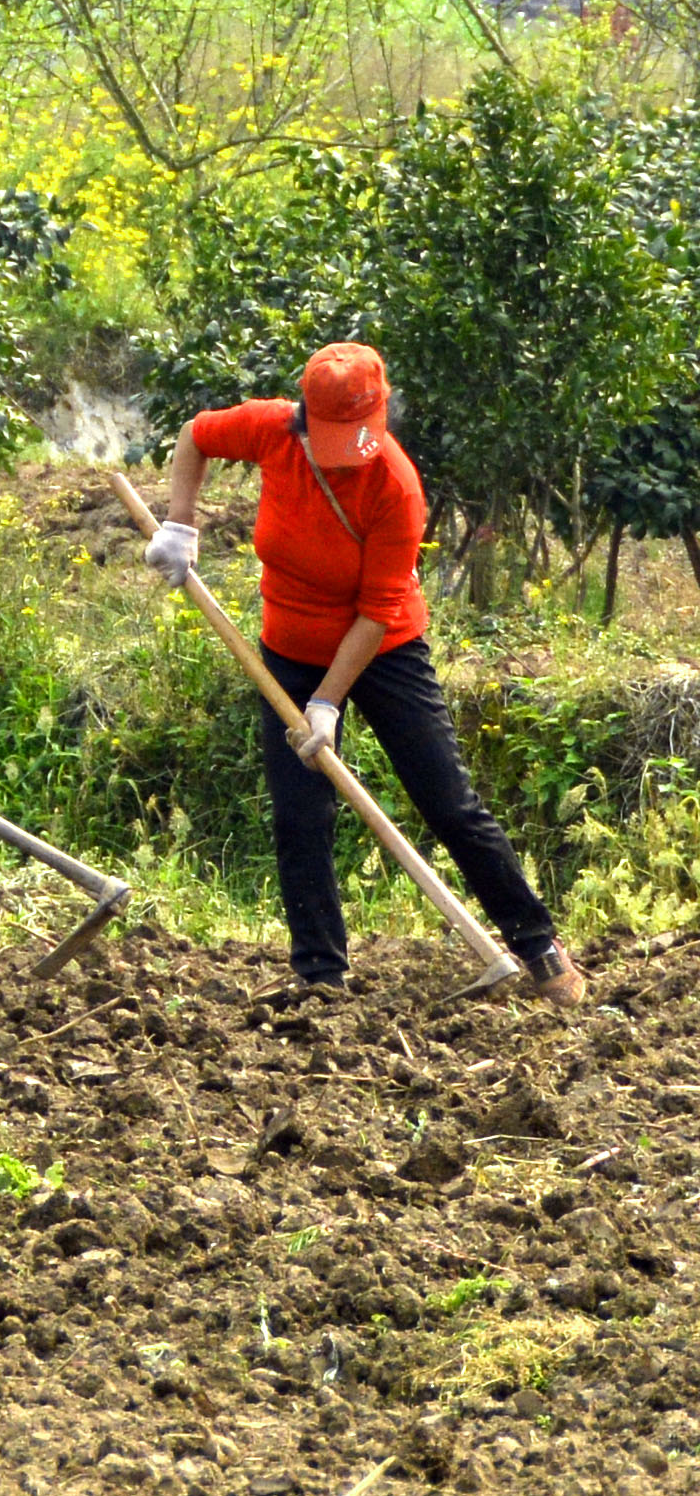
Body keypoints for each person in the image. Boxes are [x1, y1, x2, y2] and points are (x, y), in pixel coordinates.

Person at [146, 341, 583, 1003]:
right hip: (290, 649)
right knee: (300, 817)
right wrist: (180, 525)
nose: (348, 453)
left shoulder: (395, 486)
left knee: (448, 802)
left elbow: (378, 611)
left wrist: (327, 702)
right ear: (305, 418)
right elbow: (195, 436)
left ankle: (538, 943)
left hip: (384, 651)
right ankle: (321, 976)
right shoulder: (270, 429)